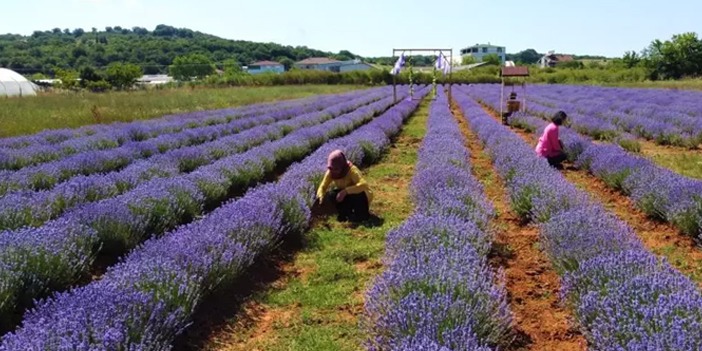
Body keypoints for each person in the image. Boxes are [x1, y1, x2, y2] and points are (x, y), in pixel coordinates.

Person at [316, 150, 373, 222]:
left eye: (336, 169)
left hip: (362, 196)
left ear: (342, 166)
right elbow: (323, 186)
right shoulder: (331, 172)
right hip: (347, 195)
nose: (333, 171)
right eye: (331, 168)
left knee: (358, 194)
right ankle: (345, 214)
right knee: (332, 195)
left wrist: (345, 191)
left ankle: (362, 216)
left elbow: (363, 185)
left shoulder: (352, 170)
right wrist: (320, 196)